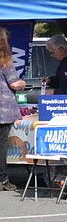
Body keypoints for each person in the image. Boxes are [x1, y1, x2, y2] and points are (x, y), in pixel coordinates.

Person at [0, 28, 25, 191]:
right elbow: (14, 83)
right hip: (3, 110)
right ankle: (2, 180)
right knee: (1, 146)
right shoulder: (4, 61)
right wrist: (22, 83)